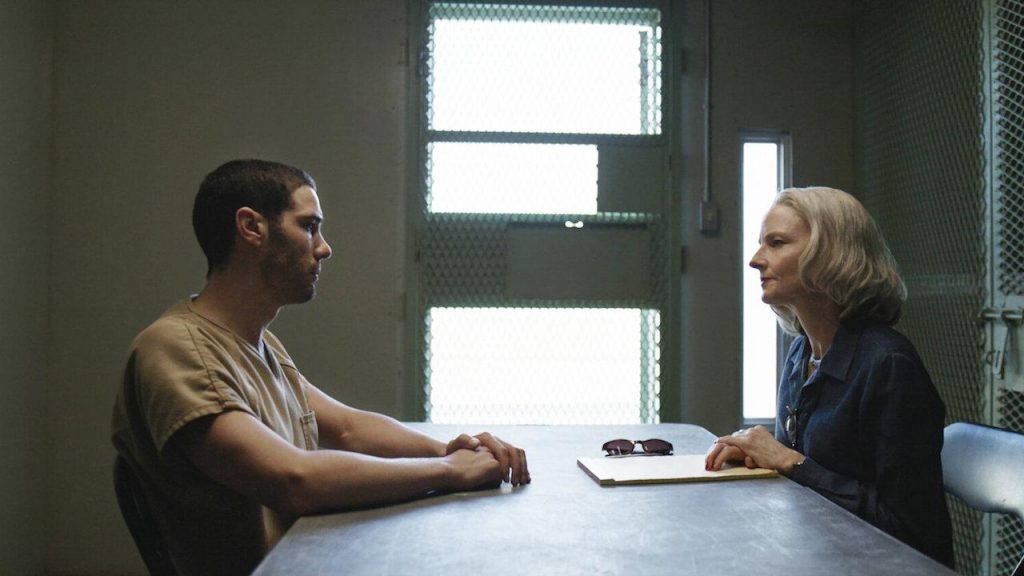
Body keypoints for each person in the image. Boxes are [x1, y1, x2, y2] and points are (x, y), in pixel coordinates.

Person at [112, 159, 530, 576]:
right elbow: (294, 480)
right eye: (309, 226)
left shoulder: (257, 344)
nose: (323, 247)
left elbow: (348, 427)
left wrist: (451, 450)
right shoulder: (175, 348)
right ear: (251, 227)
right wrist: (449, 472)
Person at [704, 186, 953, 567]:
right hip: (817, 555)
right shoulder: (800, 353)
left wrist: (790, 461)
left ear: (831, 254)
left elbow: (910, 533)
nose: (755, 260)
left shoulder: (889, 365)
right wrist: (761, 455)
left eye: (776, 243)